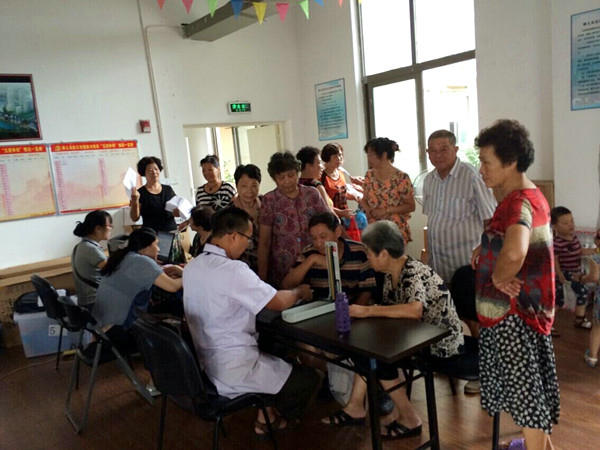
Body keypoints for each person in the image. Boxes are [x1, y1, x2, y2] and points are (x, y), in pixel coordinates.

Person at [183, 207, 320, 436]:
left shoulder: (193, 266)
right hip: (233, 368)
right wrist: (299, 292)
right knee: (308, 379)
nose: (248, 245)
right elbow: (277, 302)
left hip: (206, 364)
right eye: (248, 238)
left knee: (275, 347)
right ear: (233, 236)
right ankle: (275, 422)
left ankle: (266, 415)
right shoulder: (233, 270)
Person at [322, 220, 464, 439]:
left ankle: (410, 419)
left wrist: (368, 311)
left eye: (369, 253)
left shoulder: (412, 271)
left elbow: (414, 310)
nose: (367, 257)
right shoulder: (391, 273)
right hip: (415, 336)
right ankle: (356, 406)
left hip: (440, 343)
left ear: (384, 254)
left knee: (378, 359)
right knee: (366, 351)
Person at [473, 119, 559, 450]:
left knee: (527, 403)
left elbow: (516, 250)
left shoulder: (519, 202)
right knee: (531, 396)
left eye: (486, 162)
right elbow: (512, 241)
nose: (481, 169)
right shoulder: (528, 196)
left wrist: (498, 276)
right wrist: (487, 247)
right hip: (522, 315)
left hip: (514, 318)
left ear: (510, 162)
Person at [423, 129, 496, 284]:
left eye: (444, 149)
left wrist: (489, 256)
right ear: (428, 153)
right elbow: (432, 220)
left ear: (455, 149)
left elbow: (490, 218)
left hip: (465, 265)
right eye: (433, 151)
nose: (438, 155)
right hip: (437, 267)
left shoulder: (472, 176)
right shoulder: (429, 180)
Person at [94, 227, 183, 352]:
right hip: (120, 331)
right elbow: (173, 287)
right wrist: (184, 272)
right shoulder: (141, 262)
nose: (158, 249)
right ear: (145, 248)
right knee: (176, 305)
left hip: (103, 329)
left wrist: (160, 273)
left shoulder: (124, 256)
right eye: (156, 245)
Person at [258, 151, 329, 287]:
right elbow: (264, 242)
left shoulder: (312, 194)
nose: (287, 181)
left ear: (298, 173)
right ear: (274, 179)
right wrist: (262, 279)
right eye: (281, 177)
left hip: (314, 262)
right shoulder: (269, 200)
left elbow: (329, 224)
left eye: (291, 175)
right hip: (283, 267)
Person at [281, 211, 375, 305]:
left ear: (337, 232)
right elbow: (287, 285)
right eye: (314, 238)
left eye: (323, 237)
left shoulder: (359, 251)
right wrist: (312, 259)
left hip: (351, 307)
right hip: (318, 307)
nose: (318, 243)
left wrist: (352, 311)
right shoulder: (309, 252)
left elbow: (367, 290)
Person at [551, 206, 598, 329]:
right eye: (565, 223)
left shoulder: (574, 237)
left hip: (576, 272)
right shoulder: (557, 242)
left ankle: (579, 319)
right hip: (565, 273)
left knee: (582, 292)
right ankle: (547, 324)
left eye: (572, 221)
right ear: (555, 226)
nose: (571, 225)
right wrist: (560, 275)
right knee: (559, 300)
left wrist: (593, 251)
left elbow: (579, 251)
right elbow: (554, 260)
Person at [360, 138, 415, 243]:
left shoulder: (401, 177)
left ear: (384, 155)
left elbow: (411, 206)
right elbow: (364, 200)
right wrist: (368, 211)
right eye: (368, 155)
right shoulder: (369, 175)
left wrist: (386, 211)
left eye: (371, 155)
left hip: (395, 230)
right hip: (374, 229)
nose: (368, 158)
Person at [71, 210, 113, 309]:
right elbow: (112, 272)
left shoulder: (82, 245)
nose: (111, 228)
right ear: (98, 228)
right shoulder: (91, 249)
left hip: (87, 300)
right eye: (110, 225)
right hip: (94, 302)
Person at [129, 156, 178, 232]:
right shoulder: (140, 193)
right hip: (151, 234)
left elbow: (177, 210)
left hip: (170, 231)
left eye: (156, 169)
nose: (154, 172)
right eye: (150, 170)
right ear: (144, 173)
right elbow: (134, 218)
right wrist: (135, 201)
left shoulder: (168, 189)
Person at [232, 164, 262, 272]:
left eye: (254, 185)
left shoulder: (267, 204)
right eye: (244, 186)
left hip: (270, 264)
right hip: (242, 269)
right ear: (237, 186)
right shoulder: (229, 212)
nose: (249, 191)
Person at [320, 143, 353, 220]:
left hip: (345, 217)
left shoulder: (340, 173)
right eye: (335, 156)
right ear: (327, 158)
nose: (339, 158)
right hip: (330, 218)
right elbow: (322, 203)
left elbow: (343, 193)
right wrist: (340, 212)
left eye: (340, 155)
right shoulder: (321, 177)